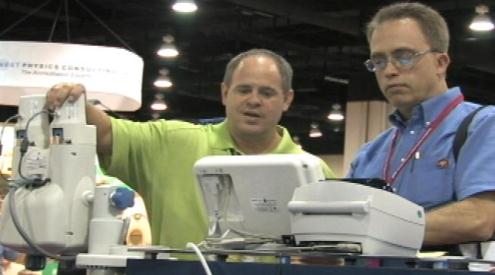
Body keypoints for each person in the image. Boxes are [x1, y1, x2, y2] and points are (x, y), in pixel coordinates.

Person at [45, 49, 335, 249]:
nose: (254, 100)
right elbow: (106, 131)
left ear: (287, 100)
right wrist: (72, 103)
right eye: (244, 90)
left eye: (267, 93)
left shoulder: (314, 172)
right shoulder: (171, 143)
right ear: (225, 93)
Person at [348, 2, 495, 249]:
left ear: (441, 63)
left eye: (404, 57)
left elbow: (480, 218)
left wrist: (373, 231)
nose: (390, 71)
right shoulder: (370, 153)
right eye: (379, 61)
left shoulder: (483, 126)